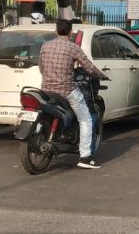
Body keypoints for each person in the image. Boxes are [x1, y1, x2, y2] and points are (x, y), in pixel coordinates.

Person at [39, 19, 109, 169]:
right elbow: (89, 68)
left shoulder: (45, 46)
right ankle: (85, 157)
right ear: (70, 32)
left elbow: (41, 68)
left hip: (46, 90)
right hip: (66, 91)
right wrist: (102, 75)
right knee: (86, 119)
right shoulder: (73, 48)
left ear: (56, 31)